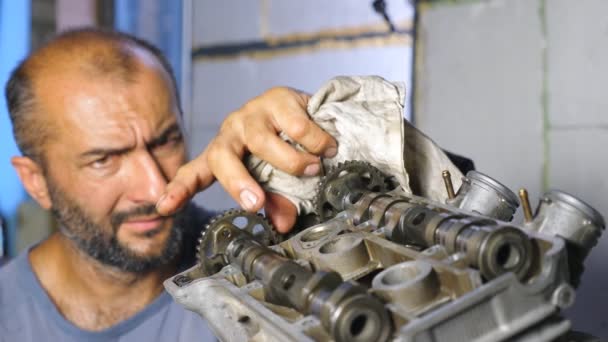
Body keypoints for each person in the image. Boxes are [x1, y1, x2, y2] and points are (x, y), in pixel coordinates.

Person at [0, 28, 337, 341]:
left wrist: (330, 129)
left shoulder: (267, 267)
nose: (154, 187)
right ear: (37, 181)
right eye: (103, 160)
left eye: (165, 142)